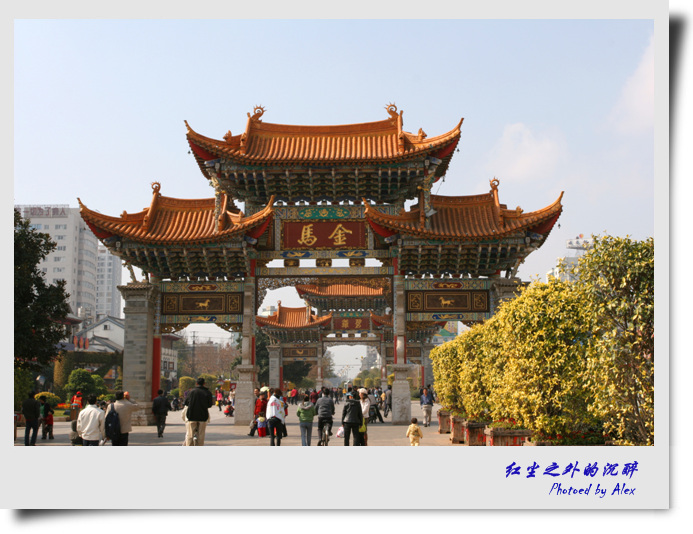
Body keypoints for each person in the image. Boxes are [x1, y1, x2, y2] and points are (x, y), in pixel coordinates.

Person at [183, 377, 214, 446]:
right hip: (203, 415)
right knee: (201, 435)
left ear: (196, 383)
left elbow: (186, 403)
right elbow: (209, 405)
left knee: (190, 434)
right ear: (204, 383)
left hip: (191, 415)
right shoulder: (207, 392)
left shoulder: (191, 392)